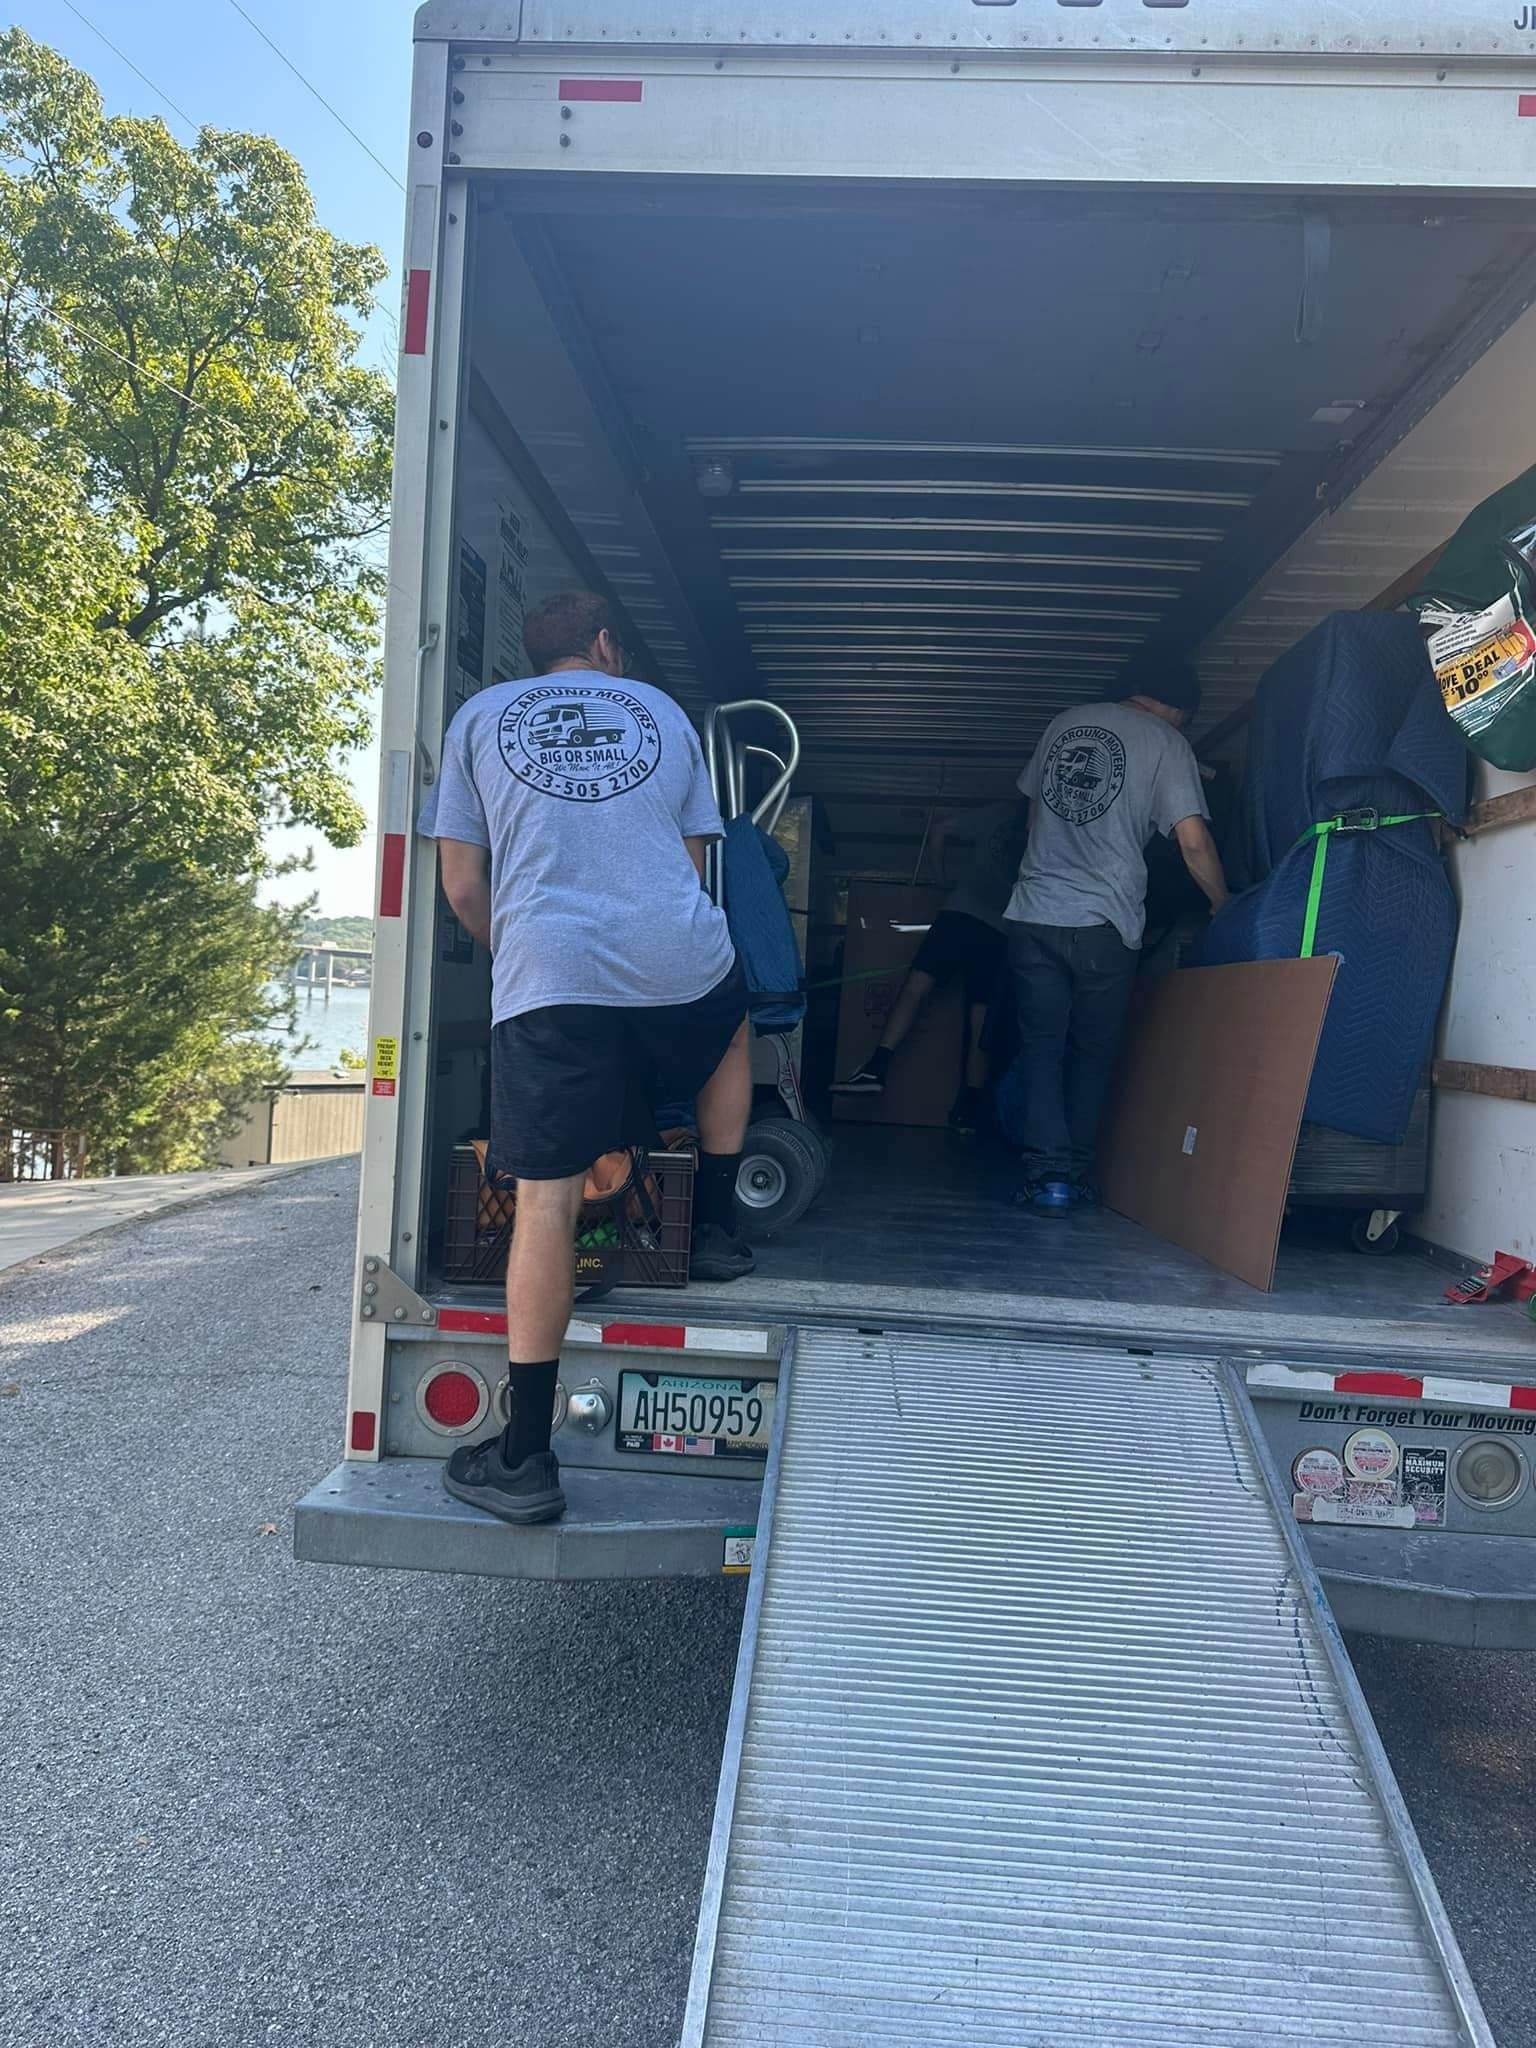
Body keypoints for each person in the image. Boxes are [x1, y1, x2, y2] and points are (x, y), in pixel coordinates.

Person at [420, 590, 754, 1526]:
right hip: (678, 969)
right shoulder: (658, 710)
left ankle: (525, 1457)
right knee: (734, 1024)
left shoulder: (478, 719)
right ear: (607, 646)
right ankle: (718, 1226)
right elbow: (689, 870)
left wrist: (527, 954)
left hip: (553, 979)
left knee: (544, 1201)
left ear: (535, 658)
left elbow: (461, 883)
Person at [1005, 660, 1229, 1214]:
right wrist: (1224, 903)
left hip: (1035, 914)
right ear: (1179, 710)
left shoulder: (1063, 723)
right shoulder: (1168, 743)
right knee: (1092, 1053)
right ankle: (1073, 1175)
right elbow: (1193, 842)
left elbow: (1034, 819)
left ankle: (1044, 1175)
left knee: (1041, 1048)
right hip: (1104, 924)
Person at [831, 799, 1028, 1131]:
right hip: (1002, 930)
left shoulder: (996, 813)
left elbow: (939, 830)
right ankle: (970, 1109)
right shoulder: (1052, 827)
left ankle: (876, 1068)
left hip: (960, 914)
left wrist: (941, 882)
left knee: (916, 988)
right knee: (981, 1019)